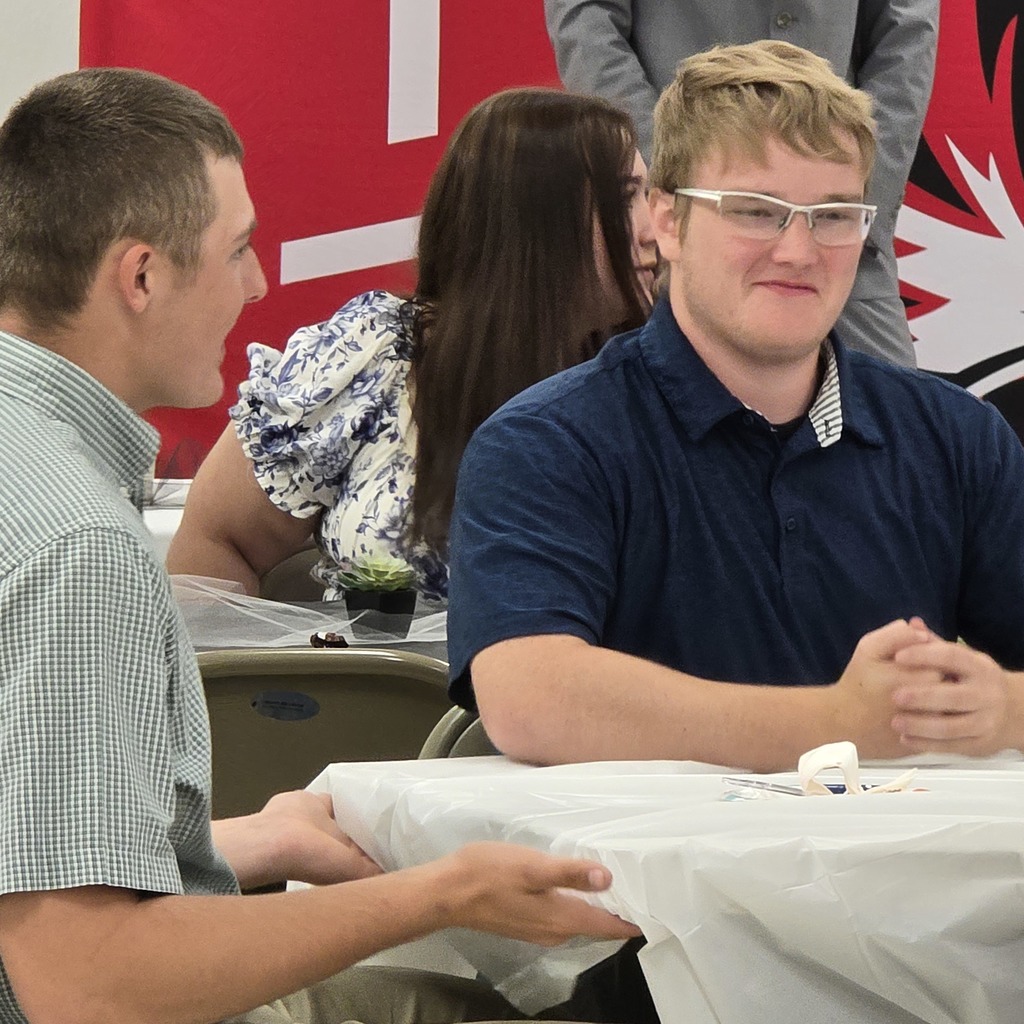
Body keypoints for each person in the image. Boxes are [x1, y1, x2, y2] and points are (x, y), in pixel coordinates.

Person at [0, 66, 641, 1024]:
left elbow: (38, 862)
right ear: (140, 276)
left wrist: (255, 839)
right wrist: (442, 894)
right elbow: (89, 984)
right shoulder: (79, 551)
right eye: (240, 249)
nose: (259, 285)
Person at [446, 40, 1024, 775]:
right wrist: (838, 724)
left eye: (834, 215)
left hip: (906, 881)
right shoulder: (548, 443)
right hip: (642, 883)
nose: (798, 250)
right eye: (755, 211)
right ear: (667, 221)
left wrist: (1000, 706)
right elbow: (530, 696)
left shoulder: (954, 436)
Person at [166, 88, 657, 601]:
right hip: (371, 680)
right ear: (535, 223)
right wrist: (243, 676)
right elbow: (219, 541)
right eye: (626, 197)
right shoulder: (373, 356)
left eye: (651, 194)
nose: (656, 229)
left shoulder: (665, 379)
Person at [542, 0, 939, 370]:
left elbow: (907, 34)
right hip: (668, 240)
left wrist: (845, 208)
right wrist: (673, 179)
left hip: (844, 260)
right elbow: (587, 21)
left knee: (903, 431)